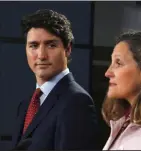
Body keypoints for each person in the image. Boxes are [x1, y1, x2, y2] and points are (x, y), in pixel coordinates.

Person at [11, 9, 100, 150]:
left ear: (68, 49)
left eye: (51, 45)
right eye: (33, 46)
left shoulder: (77, 102)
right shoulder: (25, 105)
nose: (41, 55)